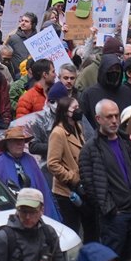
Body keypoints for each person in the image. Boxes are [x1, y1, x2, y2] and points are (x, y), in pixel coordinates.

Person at [79, 99, 131, 261]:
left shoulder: (126, 141)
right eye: (109, 117)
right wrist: (110, 209)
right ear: (98, 119)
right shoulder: (90, 149)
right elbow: (90, 185)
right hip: (115, 217)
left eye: (116, 116)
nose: (114, 120)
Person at [0, 125, 62, 221]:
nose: (20, 144)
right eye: (15, 141)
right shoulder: (0, 163)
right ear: (7, 144)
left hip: (34, 208)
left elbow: (43, 189)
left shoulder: (30, 160)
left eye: (21, 141)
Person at [0, 187, 65, 261]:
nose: (27, 217)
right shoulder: (3, 238)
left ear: (42, 210)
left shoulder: (48, 233)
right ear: (17, 210)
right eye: (24, 211)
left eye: (32, 212)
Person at [47, 96, 86, 237]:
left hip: (81, 186)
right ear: (64, 112)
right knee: (71, 229)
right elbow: (52, 163)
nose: (78, 111)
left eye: (78, 107)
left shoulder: (77, 127)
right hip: (66, 192)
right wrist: (73, 178)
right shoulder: (58, 133)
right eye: (74, 109)